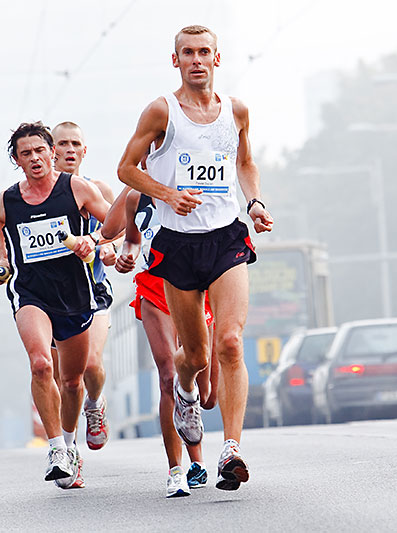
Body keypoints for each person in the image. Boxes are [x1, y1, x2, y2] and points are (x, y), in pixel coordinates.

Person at [117, 25, 274, 491]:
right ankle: (185, 393)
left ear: (217, 59)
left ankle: (232, 450)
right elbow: (125, 169)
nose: (197, 60)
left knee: (229, 343)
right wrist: (168, 193)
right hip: (179, 243)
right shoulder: (162, 112)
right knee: (196, 356)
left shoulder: (236, 110)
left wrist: (255, 202)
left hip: (227, 237)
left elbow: (245, 163)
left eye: (205, 52)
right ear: (176, 61)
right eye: (188, 53)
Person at [0, 121, 111, 489]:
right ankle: (56, 448)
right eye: (25, 154)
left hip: (75, 294)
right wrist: (3, 261)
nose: (35, 158)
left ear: (51, 154)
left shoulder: (76, 188)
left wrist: (92, 240)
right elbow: (0, 223)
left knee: (72, 380)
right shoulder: (9, 199)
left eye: (40, 151)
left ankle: (71, 445)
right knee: (42, 364)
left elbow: (116, 224)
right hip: (31, 294)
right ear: (17, 160)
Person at [114, 184, 219, 498]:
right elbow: (128, 238)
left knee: (207, 393)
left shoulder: (198, 185)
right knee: (167, 376)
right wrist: (126, 255)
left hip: (198, 290)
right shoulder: (136, 195)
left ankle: (194, 429)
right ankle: (180, 468)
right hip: (154, 289)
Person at [51, 122, 115, 454]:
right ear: (52, 150)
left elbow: (118, 227)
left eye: (76, 143)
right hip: (52, 295)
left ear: (84, 151)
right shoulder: (35, 196)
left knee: (90, 364)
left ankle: (95, 404)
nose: (70, 149)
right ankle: (68, 449)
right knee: (65, 379)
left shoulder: (97, 188)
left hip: (93, 289)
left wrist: (105, 246)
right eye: (63, 143)